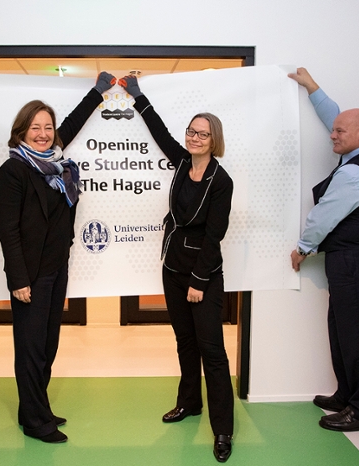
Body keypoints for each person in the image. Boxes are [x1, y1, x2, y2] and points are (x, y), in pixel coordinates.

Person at [0, 72, 116, 443]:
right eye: (35, 127)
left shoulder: (57, 166)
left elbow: (70, 126)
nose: (43, 134)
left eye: (48, 128)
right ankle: (34, 421)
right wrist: (18, 281)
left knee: (47, 345)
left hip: (55, 269)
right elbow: (8, 230)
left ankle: (35, 407)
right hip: (29, 275)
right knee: (30, 349)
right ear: (21, 132)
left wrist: (97, 93)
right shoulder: (14, 170)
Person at [120, 75, 235, 463]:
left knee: (212, 351)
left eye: (202, 134)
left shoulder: (222, 181)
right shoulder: (182, 161)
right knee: (184, 341)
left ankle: (223, 430)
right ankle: (189, 403)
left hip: (202, 273)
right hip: (173, 266)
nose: (194, 138)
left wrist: (200, 282)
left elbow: (215, 235)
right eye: (192, 132)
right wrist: (138, 96)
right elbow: (159, 133)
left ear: (214, 139)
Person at [288, 68, 359, 432]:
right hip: (349, 261)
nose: (332, 135)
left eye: (339, 132)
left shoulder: (357, 173)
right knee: (341, 330)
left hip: (357, 262)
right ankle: (346, 395)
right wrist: (311, 87)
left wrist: (302, 247)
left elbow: (324, 215)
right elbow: (336, 116)